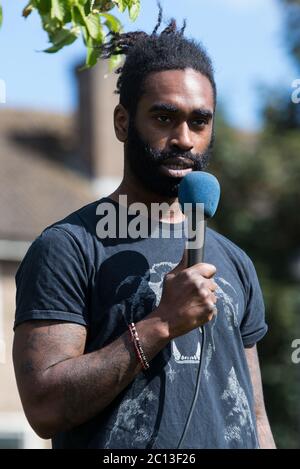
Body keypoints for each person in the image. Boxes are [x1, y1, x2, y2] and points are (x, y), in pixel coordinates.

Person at [13, 11, 276, 449]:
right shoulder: (68, 248)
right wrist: (160, 323)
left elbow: (255, 415)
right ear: (121, 122)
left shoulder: (235, 260)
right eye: (163, 118)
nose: (184, 139)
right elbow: (44, 408)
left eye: (199, 121)